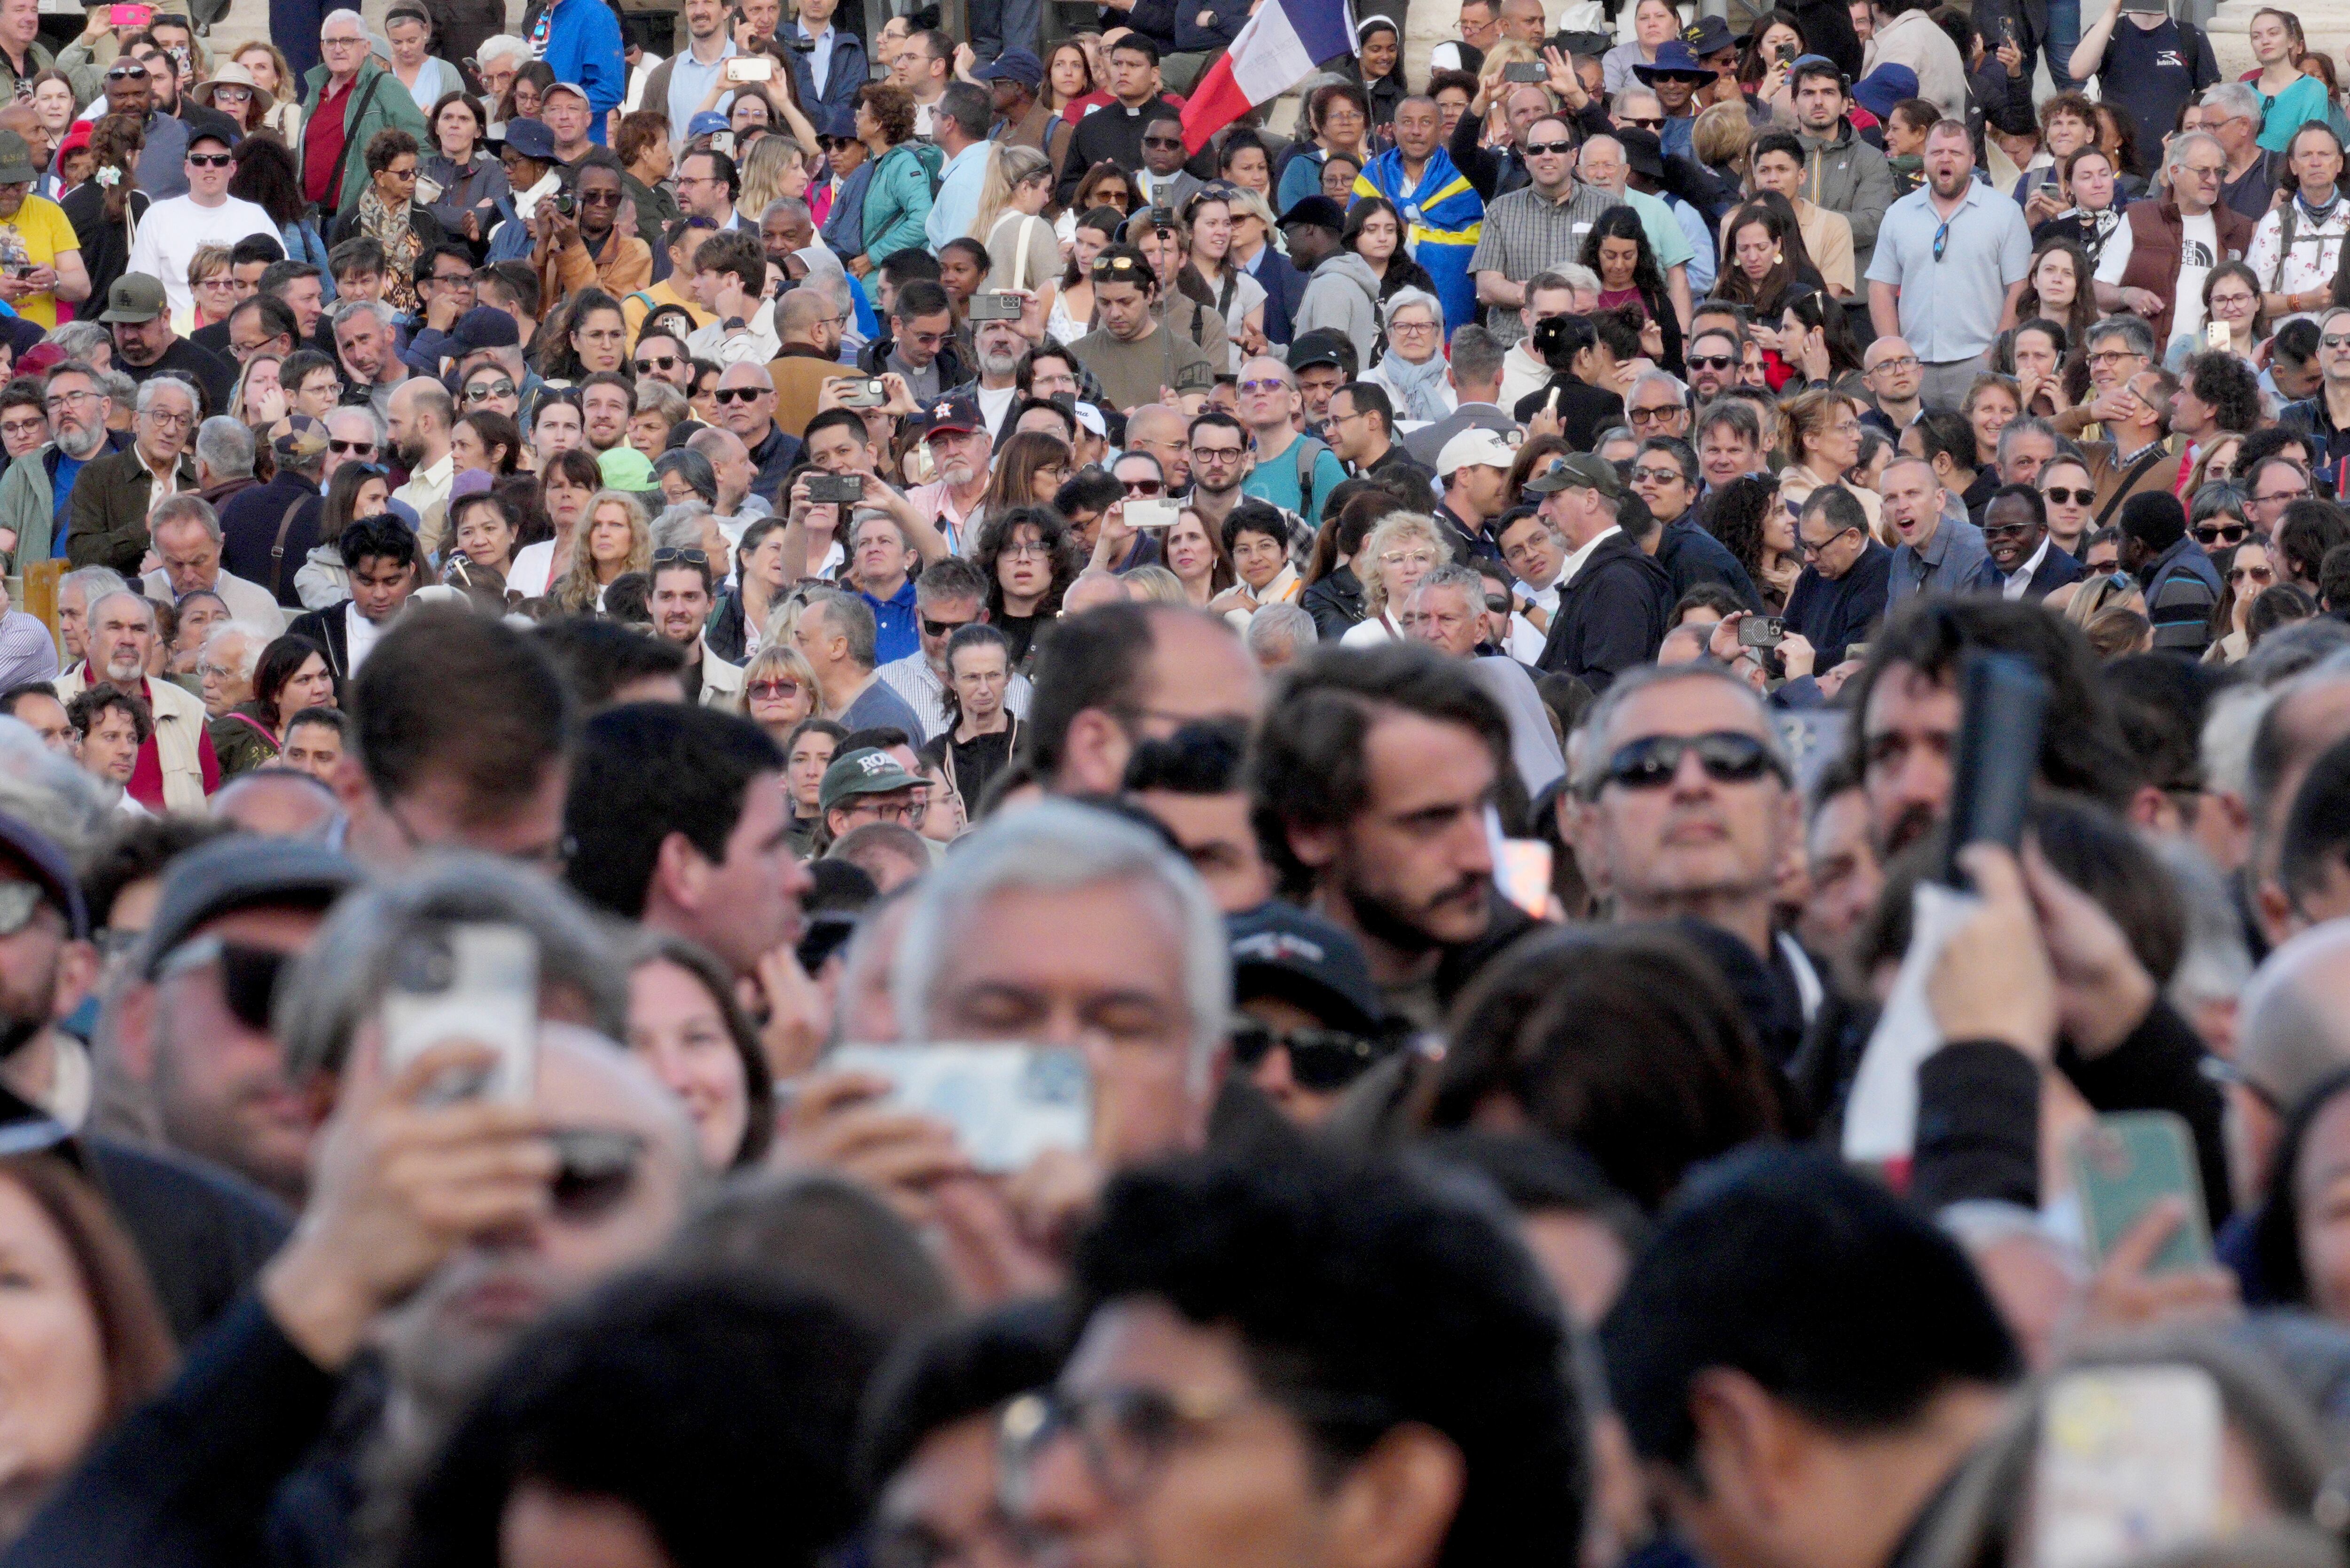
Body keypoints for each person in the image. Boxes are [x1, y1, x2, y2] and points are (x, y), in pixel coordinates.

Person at [1867, 118, 2034, 410]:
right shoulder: (1899, 213)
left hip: (1978, 362)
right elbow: (1880, 288)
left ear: (1972, 160)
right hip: (1914, 365)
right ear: (1925, 158)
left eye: (1955, 153)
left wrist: (1994, 353)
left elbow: (2019, 288)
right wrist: (1895, 356)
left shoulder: (2004, 212)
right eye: (1936, 152)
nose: (1946, 159)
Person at [2094, 131, 2253, 361]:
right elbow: (2098, 290)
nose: (2213, 180)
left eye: (2219, 172)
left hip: (2207, 366)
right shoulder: (2140, 219)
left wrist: (2221, 360)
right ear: (2175, 172)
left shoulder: (2237, 229)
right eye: (2203, 171)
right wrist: (2128, 295)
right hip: (2146, 363)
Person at [55, 590, 215, 812]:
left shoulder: (187, 709)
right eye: (115, 627)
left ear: (153, 641)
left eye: (139, 629)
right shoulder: (53, 706)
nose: (128, 640)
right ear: (89, 639)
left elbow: (211, 800)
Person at [1530, 455, 1673, 693]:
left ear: (1591, 500)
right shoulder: (1602, 574)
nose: (1542, 510)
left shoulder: (1619, 582)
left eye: (1554, 496)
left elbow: (1610, 687)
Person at [300, 9, 432, 220]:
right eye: (330, 41)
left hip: (364, 219)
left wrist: (390, 198)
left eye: (347, 41)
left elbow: (424, 148)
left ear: (366, 47)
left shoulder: (385, 86)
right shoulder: (315, 89)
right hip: (312, 217)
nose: (338, 49)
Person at [63, 373, 197, 577]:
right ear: (136, 421)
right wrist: (146, 527)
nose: (171, 430)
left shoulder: (200, 477)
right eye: (161, 416)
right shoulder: (97, 476)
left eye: (183, 420)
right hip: (118, 601)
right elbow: (82, 555)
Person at [282, 517, 419, 684]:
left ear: (411, 571)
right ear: (348, 574)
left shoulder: (436, 633)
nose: (380, 594)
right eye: (367, 582)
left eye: (392, 582)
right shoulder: (311, 631)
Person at [1784, 484, 1890, 670]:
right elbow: (1787, 630)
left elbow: (1852, 655)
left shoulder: (1883, 571)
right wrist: (1747, 636)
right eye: (1805, 546)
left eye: (1816, 547)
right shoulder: (1816, 571)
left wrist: (1794, 658)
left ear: (1852, 537)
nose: (1808, 557)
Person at [1882, 452, 1988, 603]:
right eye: (1891, 498)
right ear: (1882, 510)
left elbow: (1971, 626)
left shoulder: (1975, 553)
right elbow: (1894, 625)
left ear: (1939, 500)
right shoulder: (1902, 555)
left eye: (1912, 494)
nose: (1902, 506)